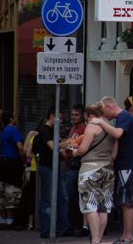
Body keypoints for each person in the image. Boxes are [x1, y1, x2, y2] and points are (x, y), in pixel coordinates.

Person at [91, 96, 133, 244]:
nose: (104, 116)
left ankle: (128, 236)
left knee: (126, 202)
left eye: (103, 112)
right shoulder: (124, 118)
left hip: (128, 165)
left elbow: (118, 134)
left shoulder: (123, 117)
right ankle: (126, 234)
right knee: (124, 201)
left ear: (109, 107)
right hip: (125, 164)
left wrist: (100, 122)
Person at [74, 103, 116, 244]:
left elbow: (83, 149)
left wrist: (75, 151)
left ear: (90, 115)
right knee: (104, 206)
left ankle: (95, 240)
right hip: (108, 168)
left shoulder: (91, 127)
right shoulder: (111, 127)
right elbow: (114, 153)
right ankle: (100, 239)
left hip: (90, 169)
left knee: (91, 205)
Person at [37, 108, 70, 238]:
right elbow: (53, 146)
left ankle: (62, 227)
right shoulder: (45, 130)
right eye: (59, 118)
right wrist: (67, 143)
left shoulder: (52, 130)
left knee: (62, 197)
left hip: (55, 167)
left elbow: (58, 149)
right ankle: (47, 230)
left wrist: (65, 149)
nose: (60, 121)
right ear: (52, 116)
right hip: (47, 168)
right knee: (48, 199)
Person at [63, 104, 90, 237]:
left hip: (77, 166)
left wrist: (67, 148)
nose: (74, 117)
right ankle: (75, 225)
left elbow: (76, 147)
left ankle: (79, 225)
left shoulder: (84, 129)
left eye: (76, 115)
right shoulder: (73, 128)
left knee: (75, 197)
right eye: (72, 115)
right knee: (71, 197)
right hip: (70, 165)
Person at [0, 111, 24, 230]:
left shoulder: (3, 131)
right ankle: (10, 221)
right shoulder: (14, 130)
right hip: (13, 164)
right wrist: (23, 157)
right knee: (12, 191)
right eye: (14, 117)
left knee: (2, 191)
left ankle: (3, 220)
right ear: (10, 119)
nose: (16, 119)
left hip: (2, 163)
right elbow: (19, 146)